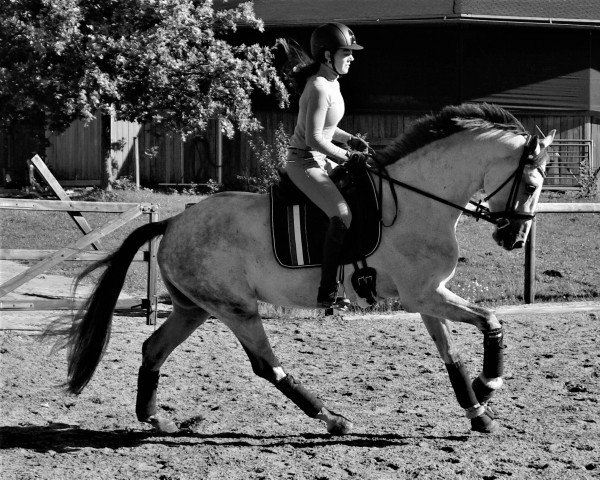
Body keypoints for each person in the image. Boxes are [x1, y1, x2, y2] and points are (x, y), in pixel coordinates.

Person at [283, 23, 369, 310]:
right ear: (327, 55)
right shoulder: (319, 87)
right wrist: (347, 158)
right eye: (347, 52)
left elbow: (329, 128)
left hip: (320, 158)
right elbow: (314, 139)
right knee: (342, 214)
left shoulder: (333, 82)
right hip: (304, 161)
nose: (352, 58)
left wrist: (350, 139)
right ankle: (327, 291)